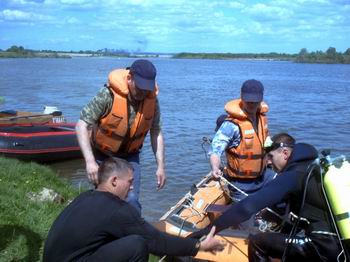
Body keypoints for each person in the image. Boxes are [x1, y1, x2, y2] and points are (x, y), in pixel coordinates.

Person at [190, 133, 342, 261]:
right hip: (340, 242)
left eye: (270, 156)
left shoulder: (293, 175)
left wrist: (207, 231)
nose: (268, 162)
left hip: (323, 247)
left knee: (258, 242)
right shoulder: (314, 168)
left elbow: (246, 207)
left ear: (285, 153)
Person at [43, 158, 225, 262]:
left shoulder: (84, 197)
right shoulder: (118, 210)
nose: (131, 188)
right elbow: (157, 242)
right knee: (137, 244)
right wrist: (199, 246)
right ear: (114, 181)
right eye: (129, 182)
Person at [75, 59, 165, 214]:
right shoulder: (108, 95)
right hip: (102, 154)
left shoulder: (152, 101)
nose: (143, 93)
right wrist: (90, 162)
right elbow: (81, 125)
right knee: (103, 199)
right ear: (129, 78)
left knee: (131, 200)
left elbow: (156, 131)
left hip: (130, 156)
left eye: (147, 89)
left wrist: (160, 166)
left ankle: (131, 235)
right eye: (140, 88)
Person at [209, 79, 275, 202]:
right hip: (241, 183)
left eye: (255, 101)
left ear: (261, 99)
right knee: (247, 219)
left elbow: (267, 142)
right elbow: (215, 150)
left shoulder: (262, 118)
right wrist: (215, 168)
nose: (251, 104)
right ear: (241, 97)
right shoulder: (231, 125)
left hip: (264, 175)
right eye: (248, 100)